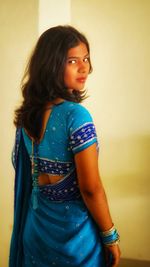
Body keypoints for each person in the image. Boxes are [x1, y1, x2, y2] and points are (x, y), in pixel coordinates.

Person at [9, 25, 121, 267]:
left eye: (86, 59)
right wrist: (110, 235)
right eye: (72, 61)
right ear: (51, 64)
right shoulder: (76, 115)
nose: (85, 68)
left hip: (36, 230)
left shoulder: (28, 115)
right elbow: (90, 188)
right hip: (74, 238)